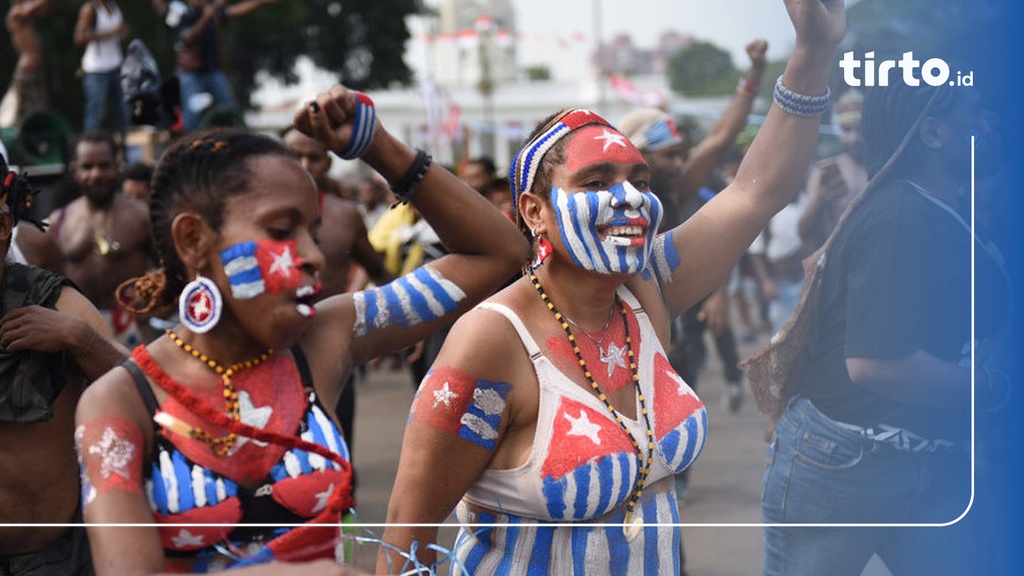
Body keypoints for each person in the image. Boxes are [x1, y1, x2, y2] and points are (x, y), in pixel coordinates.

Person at [378, 1, 846, 573]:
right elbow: (407, 532)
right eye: (597, 182)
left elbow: (757, 191)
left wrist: (812, 50)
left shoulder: (648, 291)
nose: (628, 198)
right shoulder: (492, 339)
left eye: (639, 181)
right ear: (535, 211)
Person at [75, 84, 528, 574]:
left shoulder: (325, 339)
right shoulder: (119, 401)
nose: (313, 256)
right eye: (280, 231)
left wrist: (375, 143)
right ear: (194, 240)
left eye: (311, 231)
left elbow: (498, 252)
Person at [751, 83, 1010, 574]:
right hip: (844, 466)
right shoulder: (898, 217)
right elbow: (876, 365)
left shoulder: (946, 206)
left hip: (937, 464)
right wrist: (997, 389)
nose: (992, 125)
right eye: (976, 113)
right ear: (933, 133)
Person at [1, 153, 126, 576]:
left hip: (49, 560)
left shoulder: (54, 302)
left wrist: (80, 340)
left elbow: (146, 393)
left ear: (2, 228)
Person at [281, 125, 392, 473]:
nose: (303, 164)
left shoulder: (345, 215)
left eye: (313, 157)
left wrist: (405, 324)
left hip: (330, 346)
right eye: (293, 156)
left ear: (327, 163)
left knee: (338, 452)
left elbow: (379, 269)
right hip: (269, 351)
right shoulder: (248, 214)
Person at [41, 132, 154, 348]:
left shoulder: (141, 217)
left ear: (117, 166)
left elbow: (174, 269)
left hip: (134, 329)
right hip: (78, 330)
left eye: (104, 165)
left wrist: (153, 299)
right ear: (75, 170)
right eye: (87, 167)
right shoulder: (59, 222)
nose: (96, 174)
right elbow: (46, 283)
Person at [151, 0, 279, 130]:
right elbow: (187, 37)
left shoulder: (213, 12)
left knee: (230, 111)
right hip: (190, 75)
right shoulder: (182, 14)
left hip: (213, 71)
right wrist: (206, 18)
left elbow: (236, 10)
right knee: (193, 117)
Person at [797, 88, 867, 251]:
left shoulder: (883, 168)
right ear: (839, 130)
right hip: (839, 262)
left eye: (859, 129)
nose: (854, 138)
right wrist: (818, 200)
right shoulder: (824, 173)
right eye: (847, 130)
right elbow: (803, 233)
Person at [74, 0, 130, 132]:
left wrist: (123, 32)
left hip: (116, 65)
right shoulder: (90, 9)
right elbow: (79, 38)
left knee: (124, 111)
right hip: (96, 69)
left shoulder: (114, 6)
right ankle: (89, 147)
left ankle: (125, 148)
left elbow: (119, 31)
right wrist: (111, 33)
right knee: (96, 113)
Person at [0, 0, 53, 128]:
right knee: (27, 108)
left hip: (34, 69)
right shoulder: (16, 13)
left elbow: (47, 8)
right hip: (27, 68)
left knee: (38, 107)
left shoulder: (27, 16)